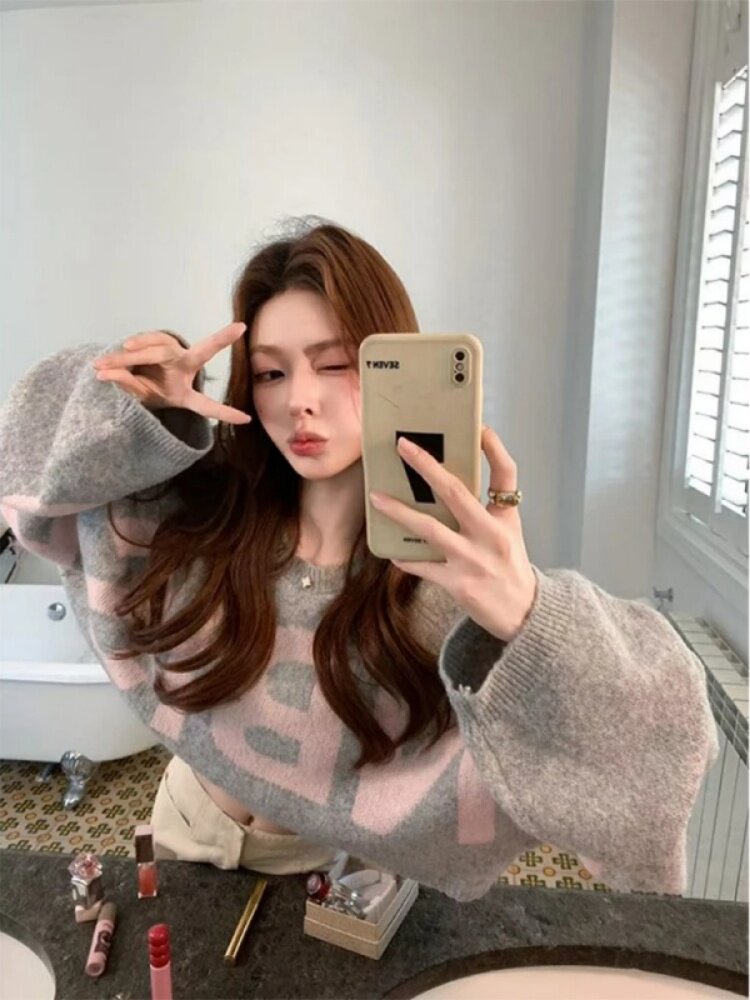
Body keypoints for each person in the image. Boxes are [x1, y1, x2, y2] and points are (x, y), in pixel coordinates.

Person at [0, 217, 719, 900]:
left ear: (391, 368)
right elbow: (27, 473)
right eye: (271, 373)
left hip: (335, 875)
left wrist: (531, 612)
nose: (299, 402)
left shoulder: (439, 584)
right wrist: (129, 407)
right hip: (184, 829)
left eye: (335, 364)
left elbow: (663, 748)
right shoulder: (201, 512)